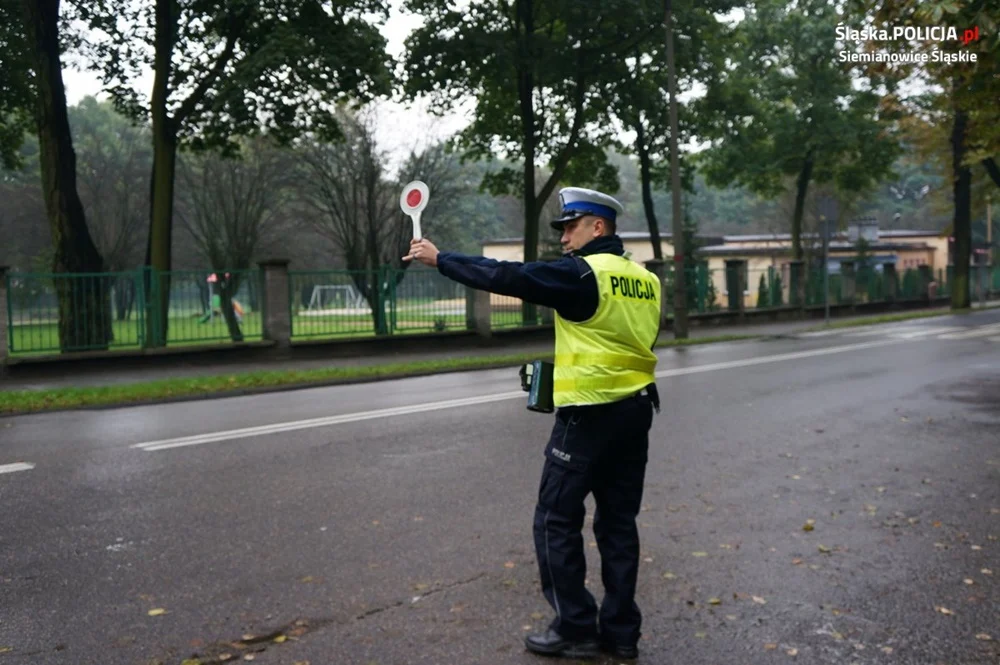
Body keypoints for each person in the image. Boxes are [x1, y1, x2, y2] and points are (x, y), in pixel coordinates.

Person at [404, 187, 661, 660]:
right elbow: (619, 342)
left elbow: (508, 275)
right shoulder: (645, 279)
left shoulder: (583, 273)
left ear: (597, 227)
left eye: (570, 227)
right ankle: (622, 633)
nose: (563, 238)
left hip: (587, 415)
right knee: (618, 525)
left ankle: (575, 628)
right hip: (636, 412)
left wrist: (441, 260)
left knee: (555, 519)